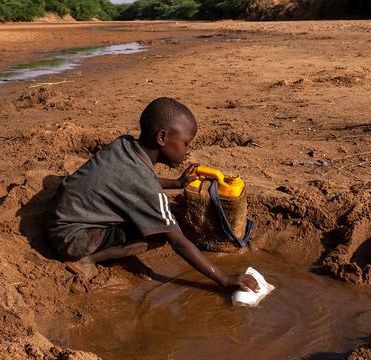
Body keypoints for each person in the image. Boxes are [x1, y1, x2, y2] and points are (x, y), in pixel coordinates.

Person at [47, 97, 258, 292]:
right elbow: (178, 242)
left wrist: (176, 183)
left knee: (152, 213)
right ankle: (90, 258)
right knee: (161, 232)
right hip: (72, 240)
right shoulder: (145, 186)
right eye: (185, 143)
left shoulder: (125, 144)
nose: (187, 151)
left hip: (62, 218)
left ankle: (119, 255)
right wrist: (224, 278)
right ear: (162, 137)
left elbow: (131, 183)